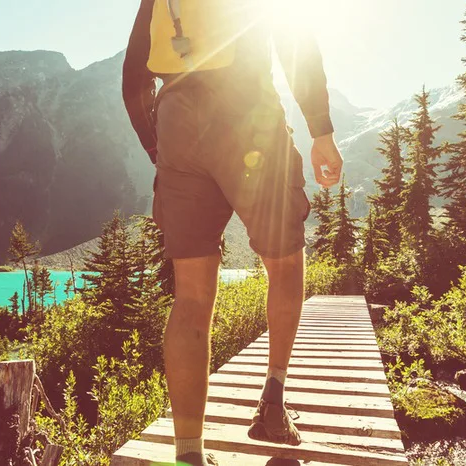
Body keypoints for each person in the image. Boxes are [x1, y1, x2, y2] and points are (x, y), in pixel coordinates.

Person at [122, 1, 343, 464]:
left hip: (177, 120)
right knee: (284, 264)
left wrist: (157, 146)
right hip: (249, 117)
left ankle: (189, 454)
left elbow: (132, 80)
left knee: (191, 297)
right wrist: (321, 131)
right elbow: (294, 43)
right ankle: (273, 403)